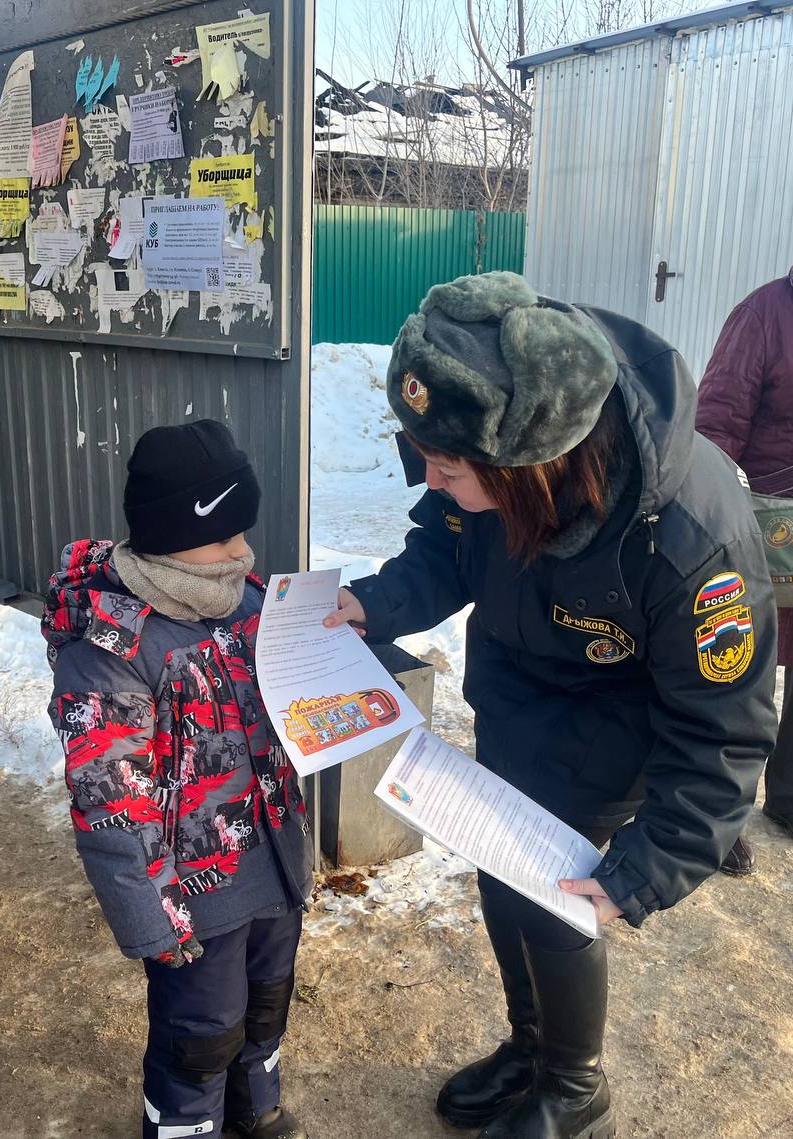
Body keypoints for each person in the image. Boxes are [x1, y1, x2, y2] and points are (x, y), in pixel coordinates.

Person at [325, 273, 777, 1139]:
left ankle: (574, 1087)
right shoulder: (493, 446)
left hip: (617, 720)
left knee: (555, 893)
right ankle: (530, 1044)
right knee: (500, 864)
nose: (430, 480)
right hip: (519, 689)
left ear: (531, 469)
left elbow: (723, 735)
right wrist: (373, 603)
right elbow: (448, 544)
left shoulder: (690, 540)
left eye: (447, 469)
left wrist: (641, 873)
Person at [43, 420, 314, 1139]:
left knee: (266, 1002)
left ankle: (256, 1106)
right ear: (170, 534)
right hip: (191, 896)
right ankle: (188, 1127)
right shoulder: (113, 649)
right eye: (222, 537)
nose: (242, 550)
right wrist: (151, 915)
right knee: (200, 1034)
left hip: (272, 862)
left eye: (242, 531)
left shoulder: (249, 602)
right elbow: (111, 804)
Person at [696, 268, 793, 875]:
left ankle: (789, 799)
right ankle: (716, 815)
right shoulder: (764, 315)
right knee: (734, 670)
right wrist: (711, 519)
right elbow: (716, 425)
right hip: (764, 531)